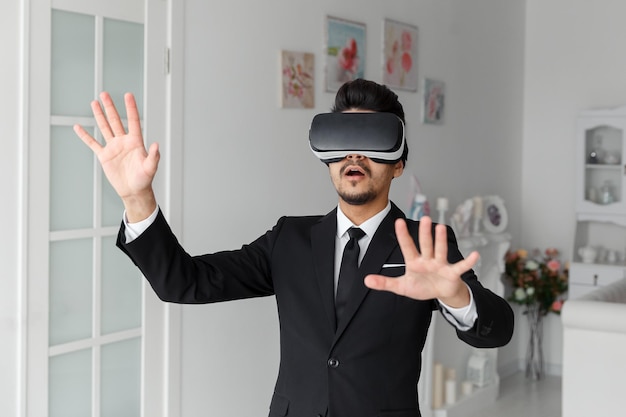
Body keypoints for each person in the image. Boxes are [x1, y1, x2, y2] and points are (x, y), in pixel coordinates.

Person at [74, 79, 513, 417]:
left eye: (371, 141)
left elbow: (499, 329)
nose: (353, 156)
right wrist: (137, 199)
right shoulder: (289, 240)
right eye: (342, 141)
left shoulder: (425, 245)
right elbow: (183, 283)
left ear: (398, 163)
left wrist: (456, 296)